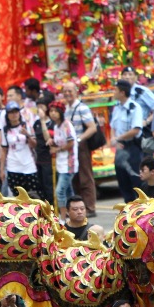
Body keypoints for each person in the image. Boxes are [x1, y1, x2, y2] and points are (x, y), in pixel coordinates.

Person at [62, 84, 98, 216]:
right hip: (70, 148)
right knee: (74, 178)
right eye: (65, 91)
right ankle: (78, 209)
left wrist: (79, 139)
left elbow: (92, 127)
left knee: (85, 177)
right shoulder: (66, 109)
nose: (67, 93)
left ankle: (90, 207)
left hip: (81, 146)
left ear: (76, 92)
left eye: (70, 91)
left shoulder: (82, 108)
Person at [110, 80, 144, 202]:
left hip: (132, 147)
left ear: (122, 92)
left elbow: (135, 130)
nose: (113, 92)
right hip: (120, 148)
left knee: (136, 181)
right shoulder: (116, 108)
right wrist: (115, 140)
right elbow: (113, 127)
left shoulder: (134, 107)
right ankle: (127, 213)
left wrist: (118, 138)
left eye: (115, 90)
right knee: (123, 181)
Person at [0, 101, 38, 197]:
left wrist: (27, 135)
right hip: (13, 165)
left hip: (28, 164)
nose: (14, 115)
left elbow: (34, 144)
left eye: (16, 112)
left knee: (32, 194)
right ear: (7, 115)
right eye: (11, 112)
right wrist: (1, 169)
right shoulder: (5, 130)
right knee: (17, 195)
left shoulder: (26, 126)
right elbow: (4, 150)